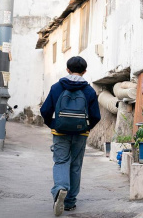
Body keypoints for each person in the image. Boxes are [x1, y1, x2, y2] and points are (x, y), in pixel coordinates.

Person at [40, 56, 101, 216]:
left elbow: (45, 111)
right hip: (81, 133)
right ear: (85, 71)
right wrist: (86, 127)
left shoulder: (56, 87)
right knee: (75, 165)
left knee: (61, 161)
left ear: (67, 69)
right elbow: (96, 116)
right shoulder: (88, 90)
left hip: (60, 132)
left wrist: (52, 124)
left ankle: (60, 187)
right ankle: (70, 202)